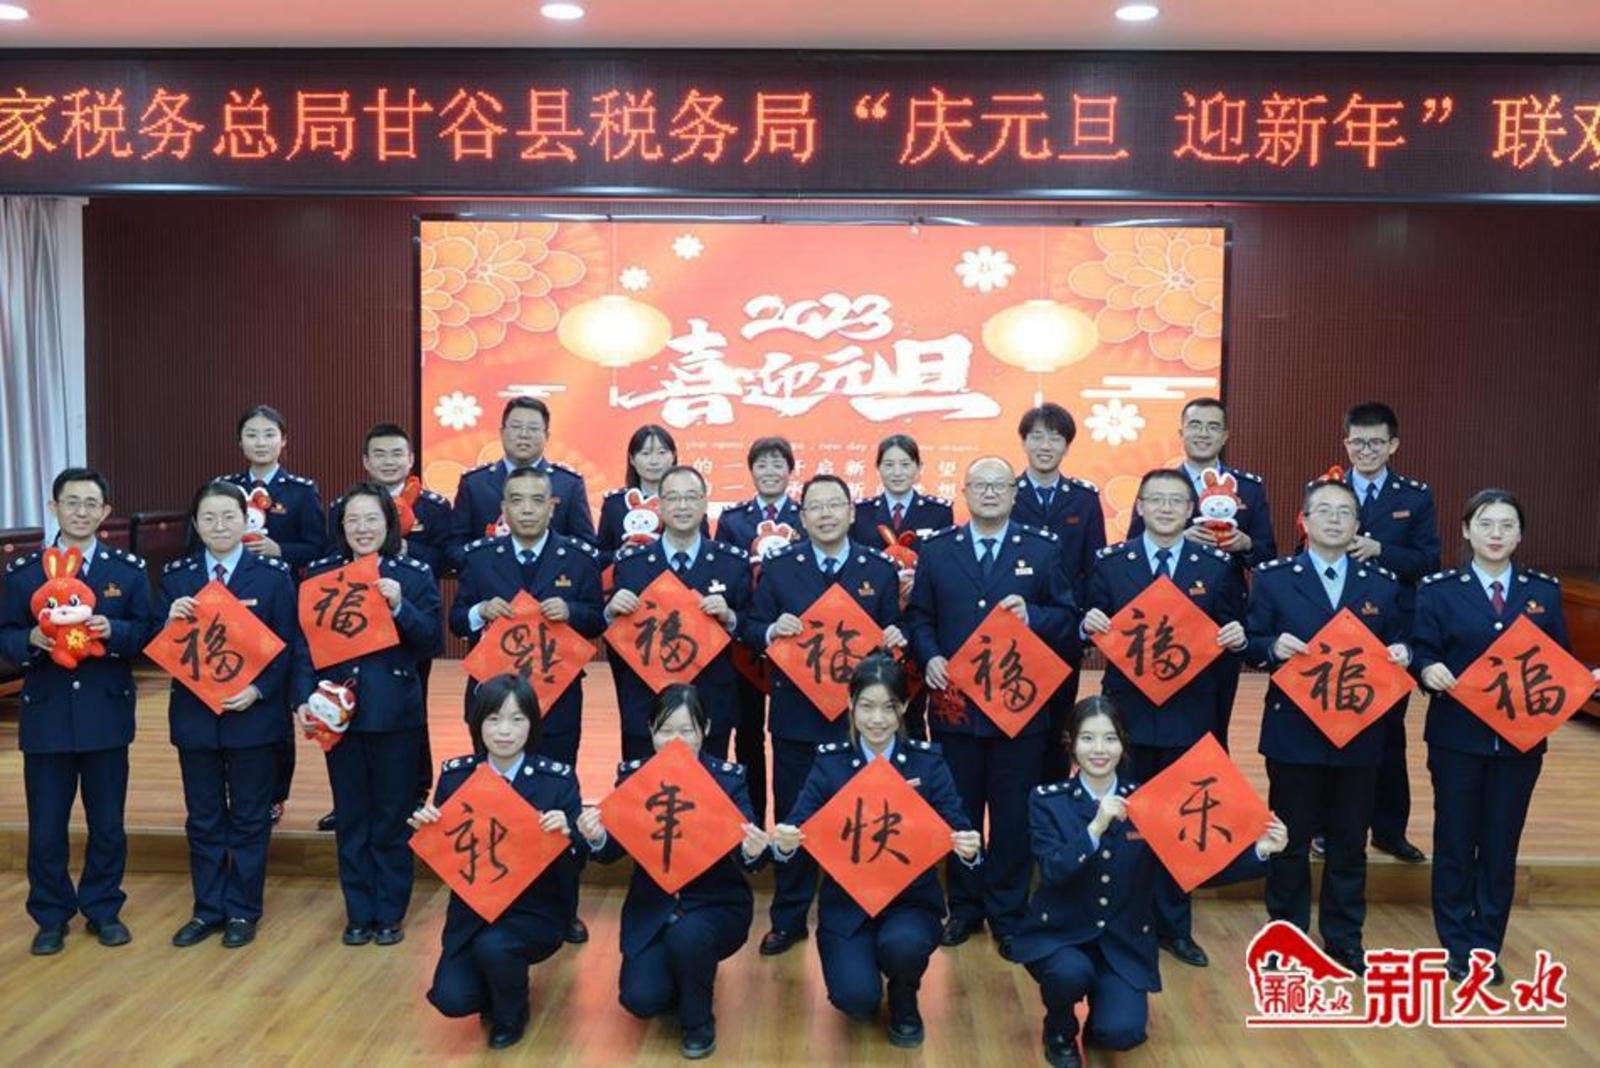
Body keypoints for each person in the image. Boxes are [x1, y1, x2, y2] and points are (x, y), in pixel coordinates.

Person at [1012, 696, 1287, 1067]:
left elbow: (1192, 867)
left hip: (1122, 942)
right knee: (1067, 975)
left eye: (1110, 739)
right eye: (1088, 738)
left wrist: (1261, 850)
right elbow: (1053, 870)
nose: (1099, 750)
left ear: (1124, 744)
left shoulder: (1148, 801)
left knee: (1121, 1033)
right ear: (1071, 743)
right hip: (1061, 935)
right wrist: (1095, 828)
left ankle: (1103, 1011)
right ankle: (1059, 1029)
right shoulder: (1048, 801)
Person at [1413, 489, 1600, 982]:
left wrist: (1586, 677)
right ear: (1465, 530)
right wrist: (1427, 669)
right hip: (1457, 738)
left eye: (1506, 525)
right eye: (1485, 524)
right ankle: (1456, 941)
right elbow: (1421, 649)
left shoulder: (1543, 592)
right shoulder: (1438, 590)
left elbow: (1558, 659)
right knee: (1456, 840)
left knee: (1501, 844)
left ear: (1520, 534)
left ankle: (1486, 944)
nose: (1496, 534)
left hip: (1520, 743)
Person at [907, 456, 1079, 958]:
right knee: (959, 810)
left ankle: (1007, 913)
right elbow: (920, 616)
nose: (988, 493)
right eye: (979, 485)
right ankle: (964, 908)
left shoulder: (1042, 549)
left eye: (998, 485)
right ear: (964, 491)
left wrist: (1035, 617)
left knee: (1012, 817)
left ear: (1013, 493)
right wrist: (930, 655)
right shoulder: (938, 550)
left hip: (1019, 711)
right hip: (956, 708)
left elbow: (1068, 618)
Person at [772, 655, 982, 1048]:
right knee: (855, 999)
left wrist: (968, 848)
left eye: (889, 707)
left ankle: (905, 997)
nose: (877, 719)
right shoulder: (831, 763)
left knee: (902, 947)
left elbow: (959, 826)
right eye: (866, 706)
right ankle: (865, 977)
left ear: (904, 707)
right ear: (850, 705)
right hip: (847, 907)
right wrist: (783, 844)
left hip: (910, 903)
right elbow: (799, 824)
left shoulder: (926, 763)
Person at [1079, 468, 1245, 968]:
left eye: (1176, 500)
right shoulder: (1112, 563)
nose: (1166, 508)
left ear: (1192, 509)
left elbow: (1235, 626)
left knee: (1179, 820)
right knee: (1123, 817)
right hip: (1126, 713)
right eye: (1156, 500)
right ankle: (1120, 922)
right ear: (1140, 507)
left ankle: (1175, 927)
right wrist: (1088, 622)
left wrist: (1236, 633)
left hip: (1188, 712)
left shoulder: (1215, 566)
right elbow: (1089, 619)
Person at [1243, 478, 1410, 974]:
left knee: (1349, 841)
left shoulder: (1381, 583)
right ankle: (1286, 936)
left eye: (1345, 513)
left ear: (1358, 524)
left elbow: (1405, 640)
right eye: (1324, 511)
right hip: (1294, 732)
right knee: (1289, 840)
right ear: (1305, 521)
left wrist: (1404, 652)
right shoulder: (1274, 578)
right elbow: (1250, 640)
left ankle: (1344, 938)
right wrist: (1272, 647)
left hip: (1360, 733)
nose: (1335, 520)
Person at [743, 473, 902, 957]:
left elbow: (896, 628)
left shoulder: (878, 568)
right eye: (816, 506)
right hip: (797, 716)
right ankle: (789, 918)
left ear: (852, 513)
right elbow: (750, 625)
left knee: (863, 816)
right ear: (802, 516)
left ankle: (862, 912)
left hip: (863, 724)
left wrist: (896, 636)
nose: (826, 514)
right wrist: (771, 630)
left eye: (836, 505)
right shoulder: (779, 568)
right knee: (796, 816)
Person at [1, 468, 156, 956]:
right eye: (71, 502)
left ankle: (103, 908)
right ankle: (50, 916)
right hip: (46, 715)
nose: (81, 512)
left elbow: (148, 631)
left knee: (107, 823)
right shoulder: (24, 572)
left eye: (91, 504)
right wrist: (29, 638)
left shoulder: (126, 570)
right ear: (54, 507)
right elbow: (4, 633)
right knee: (47, 826)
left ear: (105, 512)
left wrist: (116, 632)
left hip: (105, 712)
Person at [451, 464, 604, 945]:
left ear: (552, 507)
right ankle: (495, 899)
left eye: (537, 500)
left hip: (557, 704)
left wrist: (573, 611)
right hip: (493, 707)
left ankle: (563, 911)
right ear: (503, 508)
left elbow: (598, 618)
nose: (527, 509)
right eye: (516, 501)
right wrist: (479, 611)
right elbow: (456, 618)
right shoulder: (481, 557)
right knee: (494, 804)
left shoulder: (577, 556)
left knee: (556, 807)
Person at [578, 685, 769, 1059]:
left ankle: (699, 1024)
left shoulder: (727, 780)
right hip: (654, 908)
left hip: (715, 906)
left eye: (686, 730)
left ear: (705, 729)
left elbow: (750, 857)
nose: (676, 741)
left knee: (690, 937)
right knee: (640, 999)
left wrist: (753, 849)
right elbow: (610, 851)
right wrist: (597, 836)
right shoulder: (636, 777)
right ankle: (685, 975)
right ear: (650, 731)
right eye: (666, 730)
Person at [293, 482, 442, 948]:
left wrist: (399, 606)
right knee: (352, 817)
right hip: (338, 717)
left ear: (388, 523)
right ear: (341, 526)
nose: (362, 528)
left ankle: (390, 912)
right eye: (352, 520)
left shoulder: (413, 574)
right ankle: (359, 912)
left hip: (395, 714)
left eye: (371, 519)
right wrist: (301, 699)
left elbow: (431, 641)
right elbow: (303, 646)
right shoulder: (321, 574)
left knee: (391, 817)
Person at [159, 481, 298, 949]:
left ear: (246, 520)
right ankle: (207, 909)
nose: (219, 526)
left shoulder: (272, 576)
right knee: (203, 817)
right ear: (196, 525)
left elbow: (288, 646)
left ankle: (242, 909)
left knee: (250, 818)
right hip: (195, 717)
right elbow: (155, 644)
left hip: (253, 717)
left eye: (229, 516)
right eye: (209, 518)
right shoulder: (177, 577)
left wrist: (259, 690)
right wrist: (168, 621)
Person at [413, 674, 584, 1050]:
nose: (504, 731)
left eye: (517, 719)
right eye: (493, 719)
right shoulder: (456, 777)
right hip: (472, 914)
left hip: (535, 910)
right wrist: (428, 834)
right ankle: (497, 981)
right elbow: (448, 863)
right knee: (452, 998)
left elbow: (579, 861)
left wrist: (568, 834)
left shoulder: (556, 781)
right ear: (477, 723)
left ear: (532, 724)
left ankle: (512, 1013)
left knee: (496, 947)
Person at [322, 422, 452, 833]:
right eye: (379, 453)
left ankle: (413, 790)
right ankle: (352, 803)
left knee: (408, 710)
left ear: (411, 459)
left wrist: (402, 581)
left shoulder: (434, 507)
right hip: (345, 645)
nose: (389, 461)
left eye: (397, 453)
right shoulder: (340, 511)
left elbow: (448, 556)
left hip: (405, 625)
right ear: (365, 460)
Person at [1125, 397, 1276, 751]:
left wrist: (1244, 544)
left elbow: (1267, 555)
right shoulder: (1160, 485)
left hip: (1219, 622)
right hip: (1160, 621)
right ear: (1181, 432)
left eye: (1213, 426)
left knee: (1212, 724)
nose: (1203, 433)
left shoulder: (1248, 487)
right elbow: (1133, 546)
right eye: (1195, 425)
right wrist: (1176, 537)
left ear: (1225, 436)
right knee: (1152, 717)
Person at [1340, 402, 1440, 865]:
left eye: (1376, 443)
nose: (1366, 450)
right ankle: (1329, 828)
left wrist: (1380, 549)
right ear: (1346, 443)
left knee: (1387, 734)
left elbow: (1427, 562)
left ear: (1393, 445)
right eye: (1358, 442)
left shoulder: (1415, 497)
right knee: (1332, 729)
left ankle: (1389, 830)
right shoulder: (1326, 490)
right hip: (1336, 630)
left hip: (1391, 632)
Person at [224, 403, 327, 823]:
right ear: (240, 441)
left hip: (281, 605)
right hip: (229, 608)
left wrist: (279, 550)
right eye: (252, 434)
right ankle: (233, 788)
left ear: (284, 440)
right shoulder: (226, 489)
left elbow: (319, 548)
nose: (261, 442)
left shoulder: (301, 491)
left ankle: (274, 793)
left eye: (269, 434)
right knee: (230, 688)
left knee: (277, 697)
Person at [606, 466, 750, 762]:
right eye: (673, 498)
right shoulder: (632, 563)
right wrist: (610, 612)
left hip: (710, 704)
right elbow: (617, 637)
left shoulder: (731, 563)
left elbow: (752, 627)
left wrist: (730, 617)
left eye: (691, 497)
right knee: (644, 786)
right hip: (646, 706)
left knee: (708, 787)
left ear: (705, 503)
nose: (682, 506)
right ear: (659, 505)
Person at [1008, 404, 1106, 783]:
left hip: (1063, 631)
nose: (1045, 445)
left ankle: (1052, 802)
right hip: (1013, 634)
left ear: (1067, 445)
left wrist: (1085, 629)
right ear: (1023, 442)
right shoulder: (1007, 494)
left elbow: (1094, 568)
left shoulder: (1084, 498)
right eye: (1036, 436)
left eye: (1055, 437)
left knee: (1058, 727)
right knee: (1015, 725)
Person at [714, 435, 806, 824]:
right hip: (746, 643)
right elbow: (721, 574)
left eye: (777, 464)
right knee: (747, 733)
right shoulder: (733, 521)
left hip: (795, 640)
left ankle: (794, 821)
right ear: (751, 471)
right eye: (762, 464)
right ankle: (751, 823)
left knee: (793, 734)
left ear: (790, 470)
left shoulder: (806, 516)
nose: (770, 471)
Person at [448, 397, 596, 571]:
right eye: (516, 427)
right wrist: (485, 568)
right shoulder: (474, 483)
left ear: (547, 436)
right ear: (502, 432)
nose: (524, 434)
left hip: (552, 581)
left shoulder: (569, 484)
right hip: (490, 582)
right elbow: (454, 546)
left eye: (533, 428)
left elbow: (586, 547)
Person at [596, 424, 707, 568]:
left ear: (673, 456)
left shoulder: (687, 501)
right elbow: (599, 556)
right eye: (645, 453)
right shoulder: (615, 504)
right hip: (628, 578)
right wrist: (620, 554)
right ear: (632, 459)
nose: (654, 461)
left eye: (662, 452)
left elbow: (704, 550)